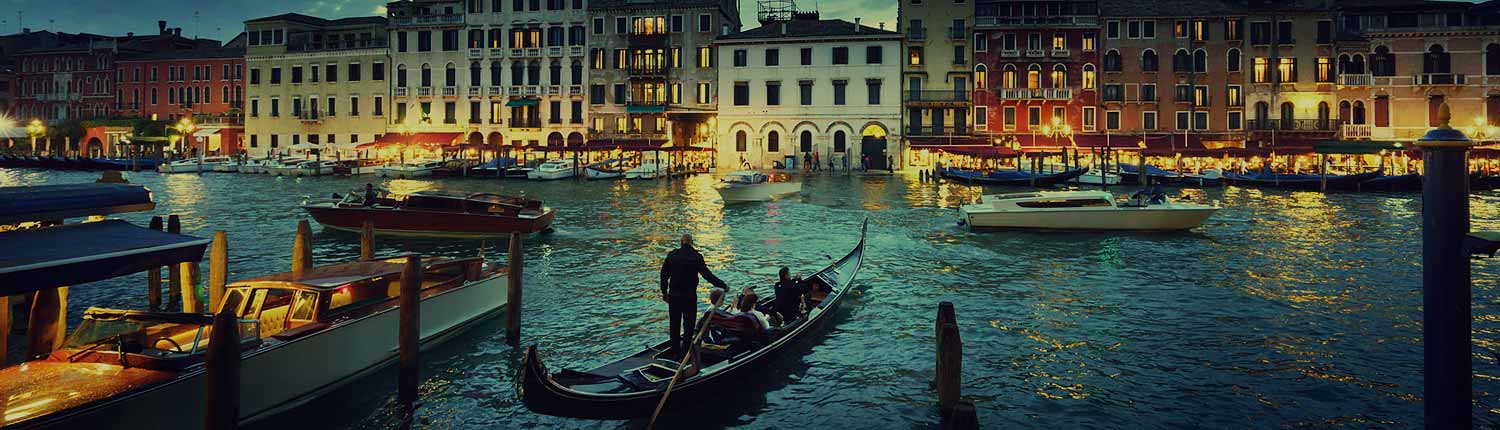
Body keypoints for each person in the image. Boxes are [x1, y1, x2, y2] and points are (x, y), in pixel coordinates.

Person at [661, 234, 728, 352]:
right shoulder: (696, 257)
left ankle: (675, 350)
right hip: (689, 297)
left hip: (674, 296)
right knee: (689, 325)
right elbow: (707, 275)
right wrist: (722, 285)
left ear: (681, 242)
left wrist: (664, 293)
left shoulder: (672, 255)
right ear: (691, 243)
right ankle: (686, 351)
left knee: (674, 324)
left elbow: (664, 276)